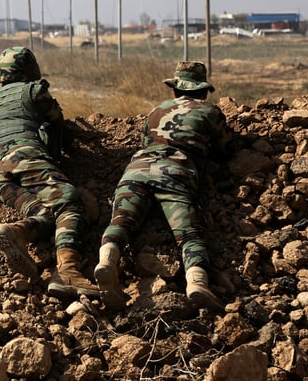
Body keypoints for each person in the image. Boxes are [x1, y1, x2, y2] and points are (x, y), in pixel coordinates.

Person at [94, 61, 232, 311]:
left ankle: (107, 260)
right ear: (203, 92)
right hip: (176, 172)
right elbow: (224, 150)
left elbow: (146, 140)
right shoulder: (210, 112)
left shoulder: (155, 111)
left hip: (136, 170)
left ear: (175, 91)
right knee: (190, 233)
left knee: (121, 221)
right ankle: (197, 283)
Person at [0, 46, 98, 298]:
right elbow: (60, 125)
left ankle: (15, 232)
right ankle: (68, 271)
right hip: (23, 155)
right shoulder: (34, 91)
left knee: (45, 213)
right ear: (29, 69)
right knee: (70, 203)